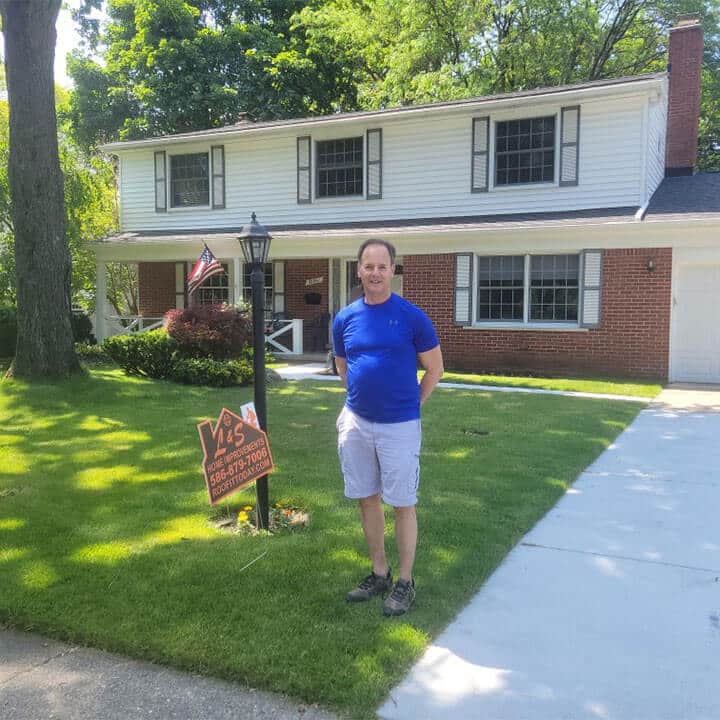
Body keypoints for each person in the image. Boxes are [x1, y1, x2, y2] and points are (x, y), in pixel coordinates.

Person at [332, 239, 444, 616]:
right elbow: (342, 364)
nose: (375, 273)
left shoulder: (412, 317)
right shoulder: (345, 318)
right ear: (359, 270)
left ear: (392, 270)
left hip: (399, 426)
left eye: (382, 266)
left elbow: (435, 369)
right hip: (356, 422)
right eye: (369, 266)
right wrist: (358, 398)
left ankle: (405, 582)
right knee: (366, 498)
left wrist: (412, 403)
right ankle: (379, 572)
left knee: (402, 503)